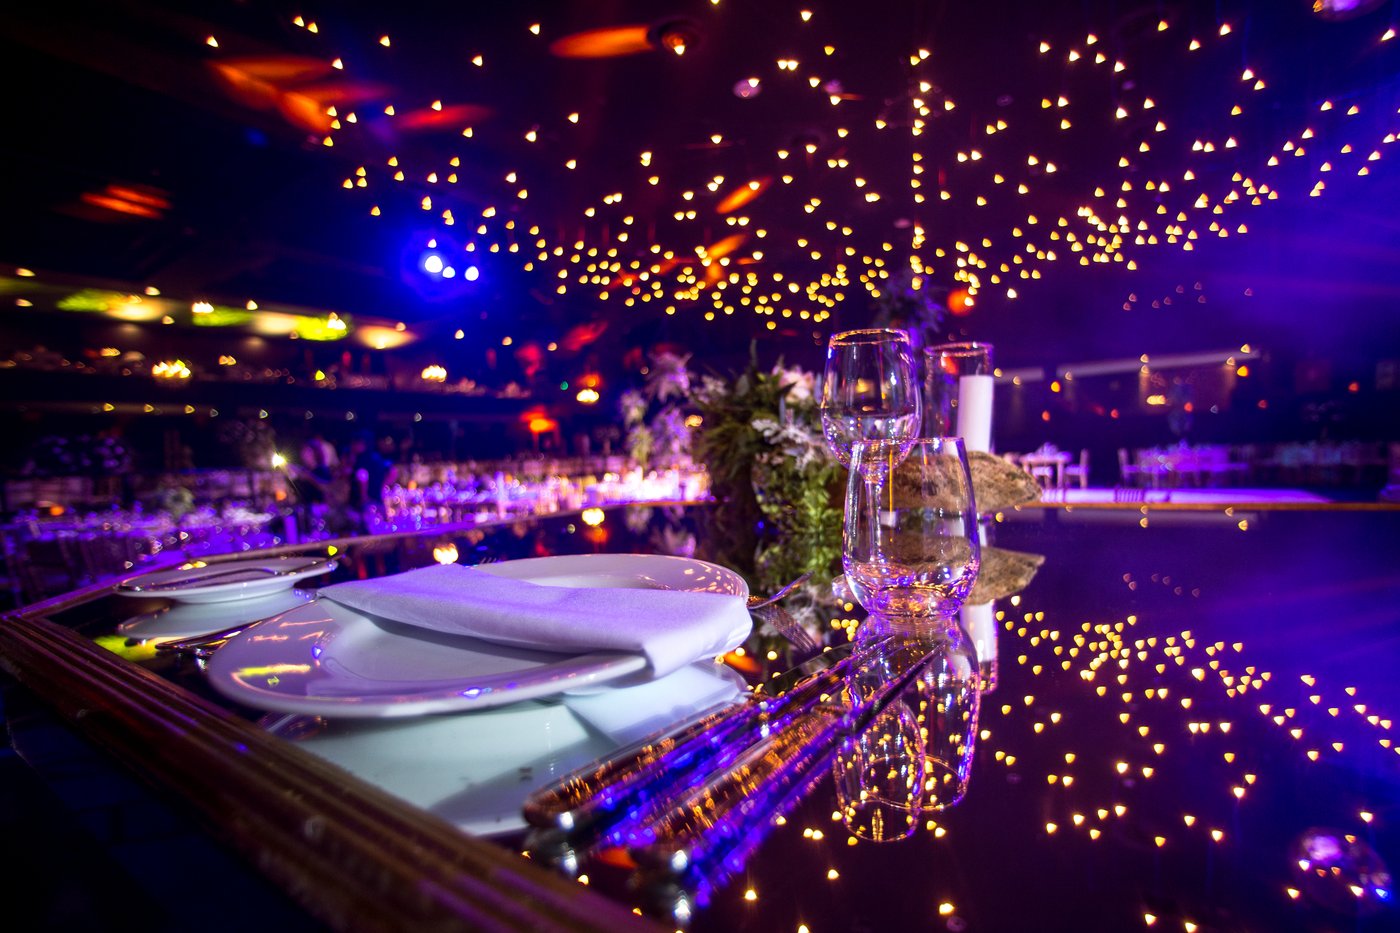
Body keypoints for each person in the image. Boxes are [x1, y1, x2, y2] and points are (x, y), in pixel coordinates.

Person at [346, 431, 397, 533]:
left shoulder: (362, 459)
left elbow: (362, 477)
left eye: (355, 443)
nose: (353, 446)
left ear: (361, 443)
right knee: (381, 531)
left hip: (366, 504)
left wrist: (363, 496)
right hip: (378, 501)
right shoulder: (377, 457)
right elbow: (393, 472)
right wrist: (382, 487)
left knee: (366, 534)